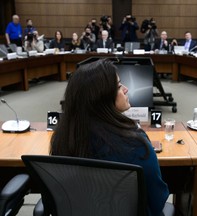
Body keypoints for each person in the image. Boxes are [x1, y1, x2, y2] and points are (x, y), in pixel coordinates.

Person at [50, 59, 169, 216]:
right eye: (119, 86)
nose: (126, 89)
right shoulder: (135, 144)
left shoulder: (63, 138)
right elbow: (157, 200)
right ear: (102, 98)